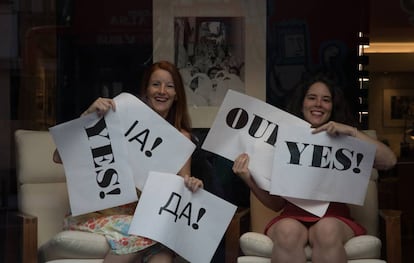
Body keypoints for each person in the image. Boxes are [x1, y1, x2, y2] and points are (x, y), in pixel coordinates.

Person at [232, 72, 397, 263]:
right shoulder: (283, 141)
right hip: (291, 216)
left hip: (335, 218)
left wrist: (351, 132)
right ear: (302, 104)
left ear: (332, 107)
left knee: (326, 230)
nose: (318, 104)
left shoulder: (345, 139)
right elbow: (276, 204)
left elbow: (390, 160)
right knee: (287, 232)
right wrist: (248, 179)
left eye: (326, 100)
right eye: (312, 98)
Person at [53, 60, 204, 263]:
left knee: (163, 256)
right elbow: (59, 156)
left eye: (169, 86)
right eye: (155, 84)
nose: (162, 91)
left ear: (177, 94)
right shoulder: (118, 116)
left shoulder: (181, 138)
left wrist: (193, 184)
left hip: (143, 218)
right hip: (99, 214)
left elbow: (181, 185)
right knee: (150, 232)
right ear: (146, 90)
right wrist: (88, 116)